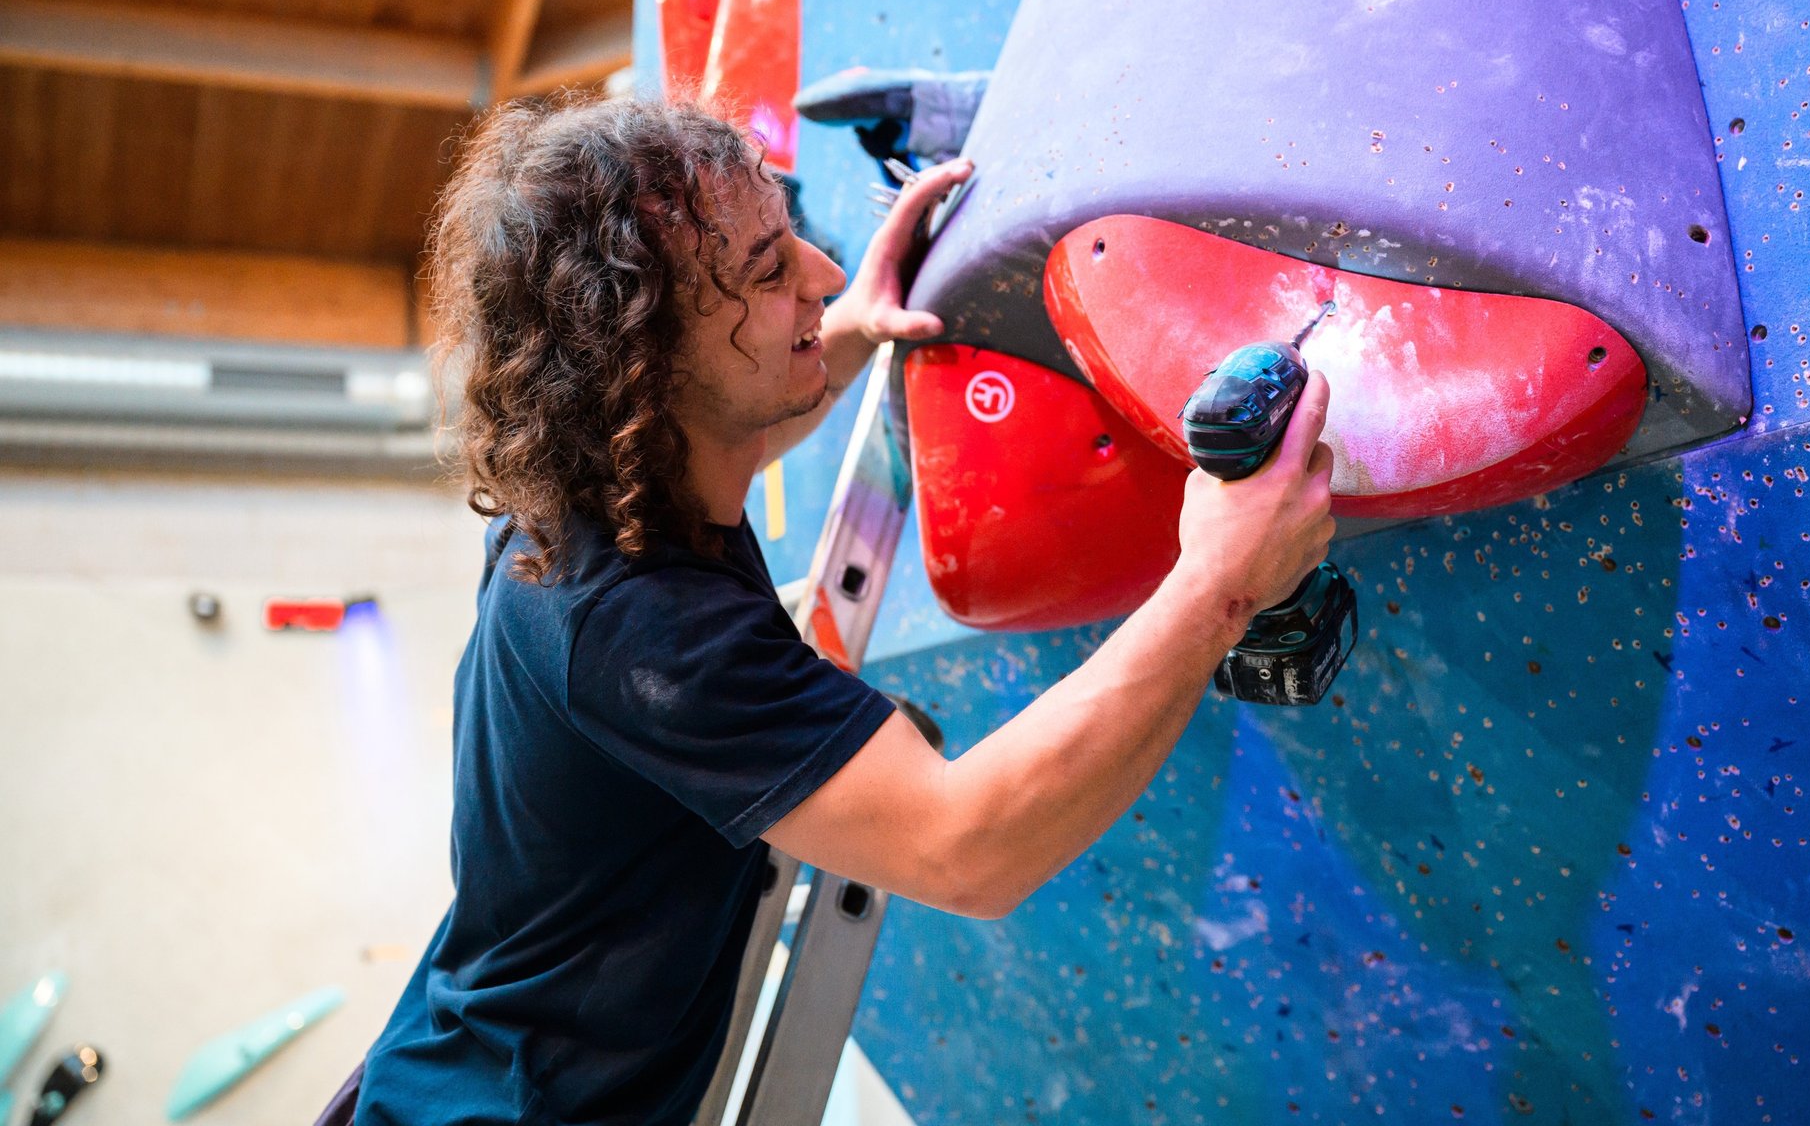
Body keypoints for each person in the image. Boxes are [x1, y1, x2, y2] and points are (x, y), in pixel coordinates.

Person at [332, 93, 1334, 1126]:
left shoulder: (582, 485)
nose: (822, 273)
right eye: (770, 271)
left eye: (793, 242)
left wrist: (837, 333)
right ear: (649, 361)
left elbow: (718, 429)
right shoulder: (642, 624)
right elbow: (968, 845)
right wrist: (1222, 581)